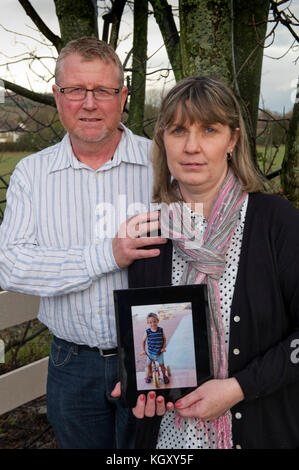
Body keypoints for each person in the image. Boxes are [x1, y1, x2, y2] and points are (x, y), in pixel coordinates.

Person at [0, 36, 167, 449]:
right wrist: (107, 255)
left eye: (103, 91)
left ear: (123, 96)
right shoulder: (31, 175)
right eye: (75, 90)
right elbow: (13, 265)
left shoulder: (161, 164)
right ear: (57, 97)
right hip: (71, 364)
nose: (89, 103)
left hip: (150, 358)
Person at [119, 76, 299, 449]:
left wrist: (238, 388)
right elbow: (151, 343)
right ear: (162, 139)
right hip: (170, 441)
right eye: (178, 130)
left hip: (259, 432)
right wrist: (143, 389)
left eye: (210, 130)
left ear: (232, 140)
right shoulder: (150, 234)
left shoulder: (275, 221)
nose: (191, 147)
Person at [142, 312, 169, 385]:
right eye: (150, 322)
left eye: (154, 321)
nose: (153, 324)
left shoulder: (161, 330)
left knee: (161, 365)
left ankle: (164, 376)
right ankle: (150, 375)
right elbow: (143, 341)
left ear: (157, 321)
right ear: (148, 323)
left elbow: (164, 339)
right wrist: (143, 350)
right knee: (148, 365)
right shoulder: (147, 331)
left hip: (159, 353)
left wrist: (163, 347)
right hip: (150, 353)